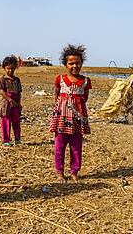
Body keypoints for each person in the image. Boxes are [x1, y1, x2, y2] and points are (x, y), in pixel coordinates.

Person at [49, 44, 92, 183]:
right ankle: (60, 172)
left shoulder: (85, 81)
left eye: (77, 63)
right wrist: (60, 109)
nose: (75, 66)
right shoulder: (60, 79)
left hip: (77, 121)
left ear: (82, 63)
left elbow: (84, 98)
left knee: (76, 147)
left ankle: (74, 172)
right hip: (62, 118)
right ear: (65, 64)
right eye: (71, 63)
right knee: (59, 146)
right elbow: (56, 94)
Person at [0, 55, 22, 146]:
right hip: (6, 104)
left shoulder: (17, 80)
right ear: (4, 68)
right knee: (6, 122)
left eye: (12, 68)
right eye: (8, 68)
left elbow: (19, 92)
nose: (10, 71)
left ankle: (17, 139)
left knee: (16, 122)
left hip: (15, 104)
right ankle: (6, 140)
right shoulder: (3, 79)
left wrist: (19, 103)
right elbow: (1, 90)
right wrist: (9, 99)